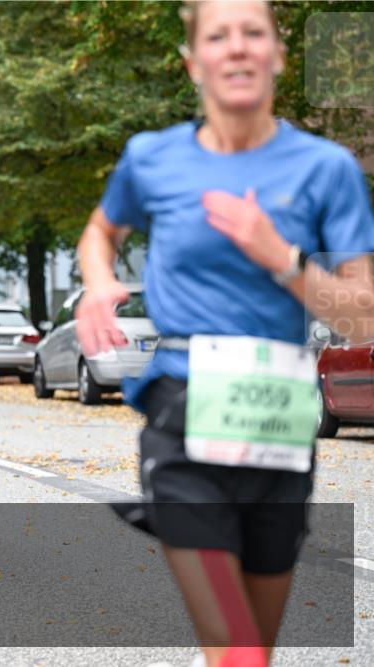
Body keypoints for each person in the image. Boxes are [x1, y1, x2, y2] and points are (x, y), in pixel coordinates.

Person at [75, 2, 374, 665]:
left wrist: (284, 259)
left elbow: (364, 316)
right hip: (184, 416)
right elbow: (101, 229)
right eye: (218, 36)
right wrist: (98, 281)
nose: (237, 47)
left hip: (279, 428)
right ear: (194, 63)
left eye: (253, 33)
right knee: (239, 649)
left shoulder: (327, 169)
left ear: (278, 56)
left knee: (248, 653)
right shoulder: (152, 158)